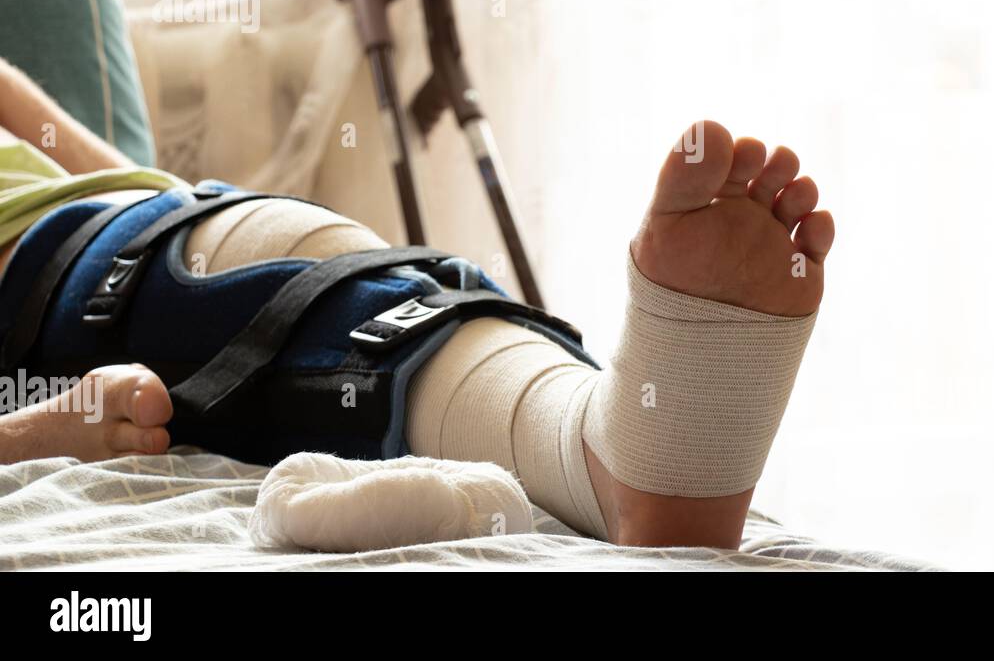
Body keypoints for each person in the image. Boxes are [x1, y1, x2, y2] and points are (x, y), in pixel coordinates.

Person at [0, 56, 833, 548]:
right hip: (75, 285)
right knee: (346, 322)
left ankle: (607, 438)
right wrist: (39, 430)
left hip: (161, 224)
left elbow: (114, 171)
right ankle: (615, 452)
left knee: (414, 293)